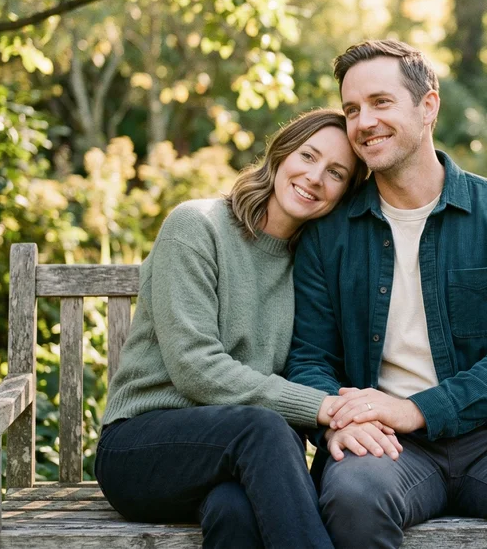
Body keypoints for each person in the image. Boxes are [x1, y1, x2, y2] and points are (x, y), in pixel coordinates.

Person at [286, 40, 487, 549]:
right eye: (352, 109)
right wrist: (334, 422)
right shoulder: (327, 233)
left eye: (380, 102)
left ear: (428, 105)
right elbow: (309, 357)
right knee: (354, 497)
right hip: (387, 447)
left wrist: (415, 409)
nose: (363, 122)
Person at [95, 109, 402, 549]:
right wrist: (327, 410)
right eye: (308, 156)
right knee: (265, 428)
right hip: (142, 448)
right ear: (280, 155)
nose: (315, 177)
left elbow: (313, 361)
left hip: (237, 460)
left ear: (344, 194)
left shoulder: (311, 267)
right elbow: (194, 366)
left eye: (335, 173)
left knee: (235, 513)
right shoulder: (197, 226)